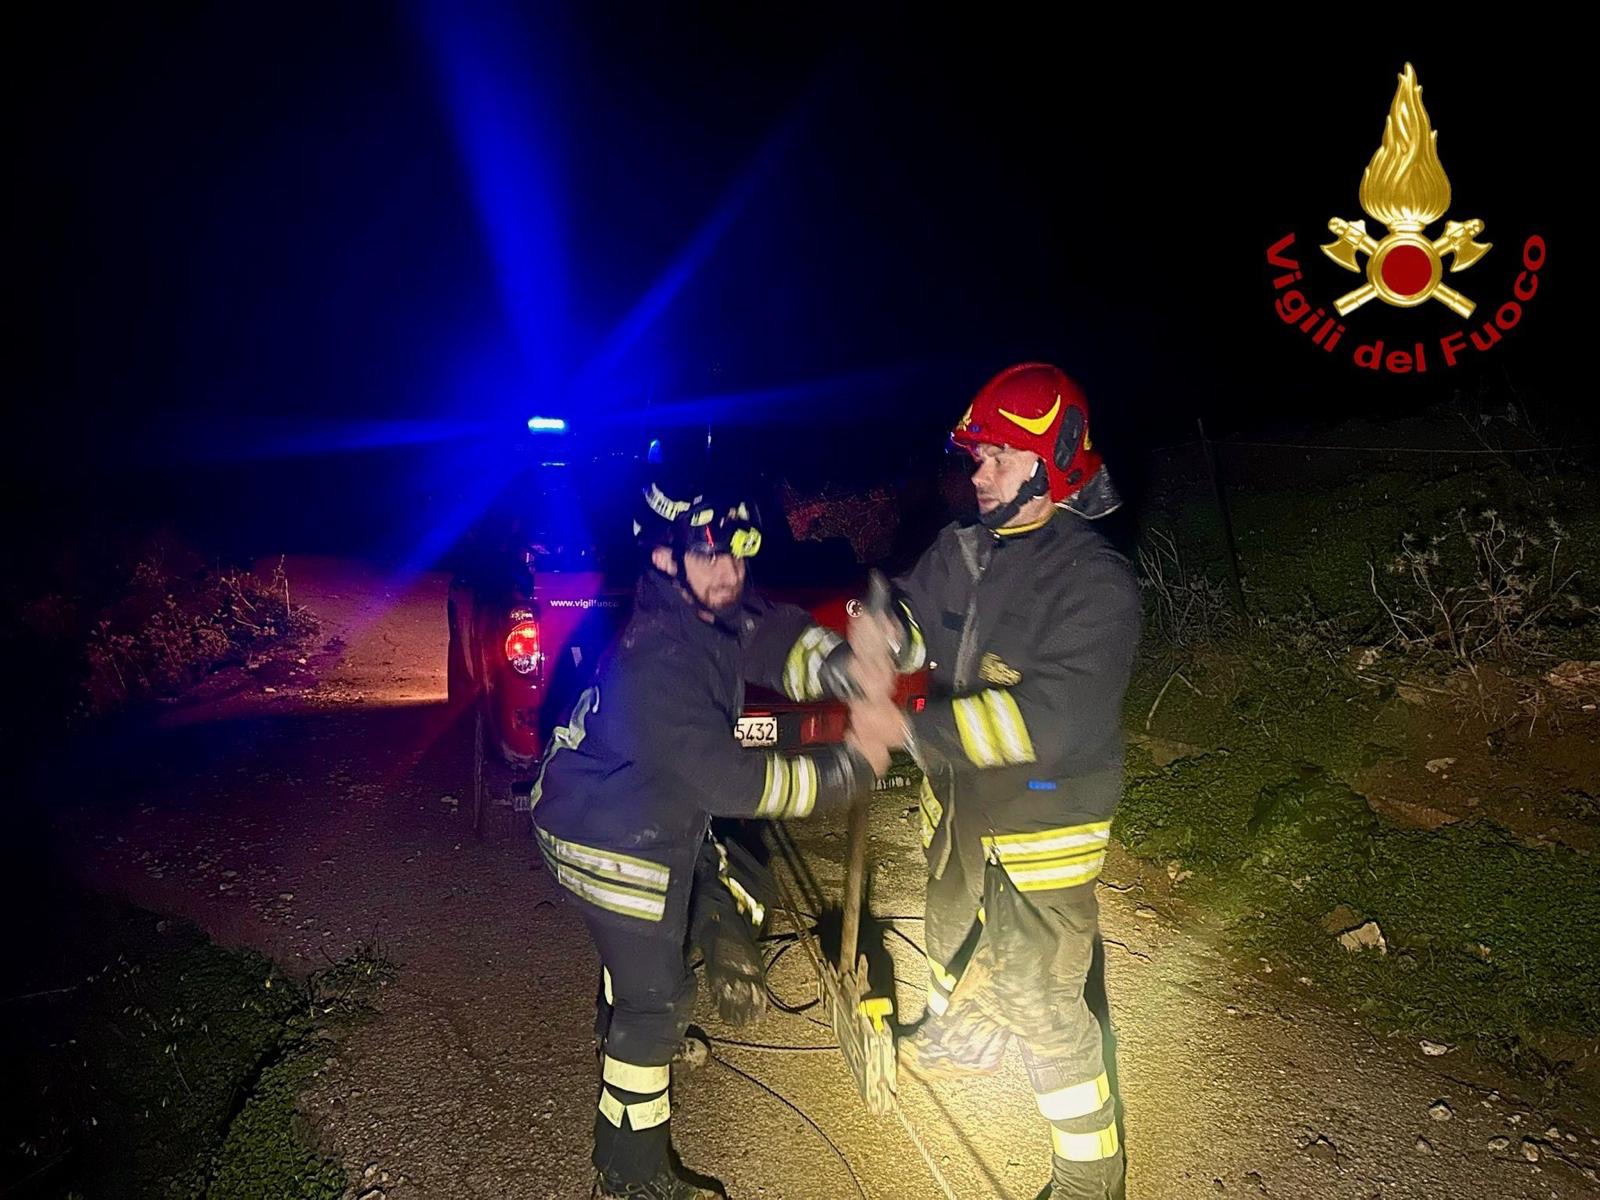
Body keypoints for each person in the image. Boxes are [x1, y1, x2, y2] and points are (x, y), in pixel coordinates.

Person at [528, 483, 901, 1200]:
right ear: (665, 555)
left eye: (742, 548)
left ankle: (631, 1012)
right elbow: (735, 788)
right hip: (603, 833)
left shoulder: (708, 607)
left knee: (707, 893)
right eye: (709, 551)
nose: (730, 568)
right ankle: (631, 1172)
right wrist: (849, 769)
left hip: (632, 805)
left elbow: (780, 638)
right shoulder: (659, 661)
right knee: (658, 1001)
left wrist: (850, 670)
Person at [870, 362, 1140, 1199]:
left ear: (1049, 465)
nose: (976, 473)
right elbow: (909, 612)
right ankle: (958, 1039)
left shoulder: (1096, 584)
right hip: (963, 809)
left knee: (1042, 998)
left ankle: (1091, 1179)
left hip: (1044, 821)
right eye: (974, 455)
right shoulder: (966, 550)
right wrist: (880, 634)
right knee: (950, 933)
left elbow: (1045, 724)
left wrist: (910, 727)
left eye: (994, 457)